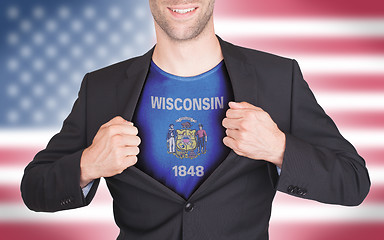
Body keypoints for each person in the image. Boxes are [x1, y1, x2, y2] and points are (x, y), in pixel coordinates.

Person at [21, 0, 370, 239]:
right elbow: (34, 188)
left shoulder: (279, 78)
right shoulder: (102, 87)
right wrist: (87, 164)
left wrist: (280, 148)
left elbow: (353, 181)